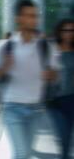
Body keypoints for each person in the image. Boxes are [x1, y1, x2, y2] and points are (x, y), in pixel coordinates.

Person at [0, 0, 59, 159]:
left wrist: (51, 75)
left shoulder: (45, 47)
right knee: (21, 153)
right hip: (12, 107)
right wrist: (3, 69)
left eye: (35, 16)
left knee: (27, 153)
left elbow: (56, 75)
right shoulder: (6, 47)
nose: (34, 19)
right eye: (29, 15)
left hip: (36, 109)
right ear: (19, 18)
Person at [50, 19, 74, 159]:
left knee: (67, 141)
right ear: (60, 32)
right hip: (55, 102)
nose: (69, 34)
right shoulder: (51, 49)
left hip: (71, 99)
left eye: (72, 30)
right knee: (63, 137)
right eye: (66, 30)